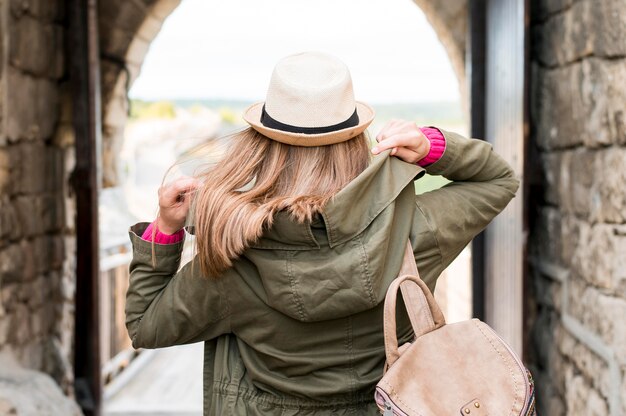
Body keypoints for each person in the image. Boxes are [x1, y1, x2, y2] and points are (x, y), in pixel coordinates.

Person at [125, 51, 519, 415]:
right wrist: (430, 146)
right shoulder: (415, 230)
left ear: (261, 144)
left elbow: (144, 324)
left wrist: (165, 228)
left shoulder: (231, 255)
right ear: (355, 139)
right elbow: (498, 179)